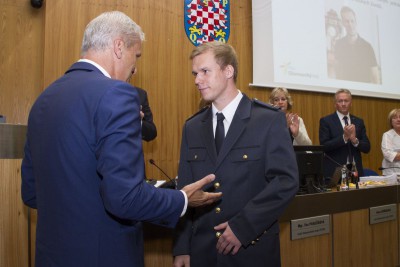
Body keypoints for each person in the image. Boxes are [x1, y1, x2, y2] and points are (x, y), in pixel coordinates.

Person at [21, 11, 222, 267]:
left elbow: (31, 193)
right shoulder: (116, 94)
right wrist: (182, 199)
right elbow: (125, 199)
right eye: (135, 55)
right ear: (118, 47)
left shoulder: (44, 100)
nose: (135, 67)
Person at [172, 41, 299, 267]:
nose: (197, 80)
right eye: (195, 73)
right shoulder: (192, 127)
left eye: (205, 71)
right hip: (203, 253)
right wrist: (182, 246)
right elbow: (187, 190)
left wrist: (243, 227)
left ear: (228, 71)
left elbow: (285, 181)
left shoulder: (267, 120)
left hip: (251, 249)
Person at [319, 89, 370, 183]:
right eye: (340, 101)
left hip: (356, 173)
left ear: (351, 103)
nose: (343, 103)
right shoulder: (326, 121)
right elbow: (324, 146)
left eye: (346, 101)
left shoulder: (358, 122)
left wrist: (354, 140)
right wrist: (344, 138)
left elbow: (367, 148)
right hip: (335, 172)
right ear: (335, 104)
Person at [333, 6, 380, 84]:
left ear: (356, 21)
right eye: (347, 21)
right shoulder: (338, 44)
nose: (350, 25)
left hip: (364, 93)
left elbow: (375, 76)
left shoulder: (367, 47)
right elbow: (337, 71)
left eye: (352, 21)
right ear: (343, 23)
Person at [381, 108, 400, 176]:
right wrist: (394, 155)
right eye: (395, 117)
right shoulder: (387, 135)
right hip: (390, 173)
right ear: (391, 121)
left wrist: (397, 154)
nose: (398, 120)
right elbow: (388, 154)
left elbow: (394, 154)